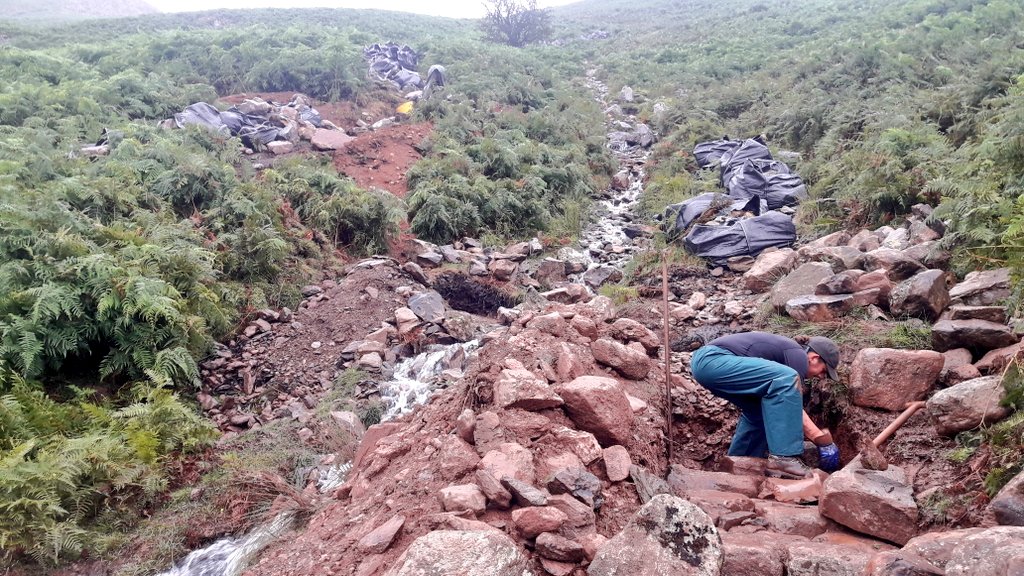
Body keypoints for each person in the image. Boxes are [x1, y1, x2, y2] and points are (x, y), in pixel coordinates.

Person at [690, 331, 841, 479]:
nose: (821, 377)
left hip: (709, 364)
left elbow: (784, 405)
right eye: (824, 371)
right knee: (787, 379)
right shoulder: (798, 355)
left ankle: (737, 465)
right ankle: (784, 459)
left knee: (760, 412)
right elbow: (791, 405)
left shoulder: (787, 355)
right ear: (814, 358)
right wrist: (820, 439)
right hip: (713, 360)